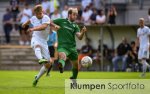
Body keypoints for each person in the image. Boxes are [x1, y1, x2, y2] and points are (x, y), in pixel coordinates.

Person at [22, 5, 59, 87]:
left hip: (44, 42)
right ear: (35, 13)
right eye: (37, 14)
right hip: (35, 38)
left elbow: (44, 26)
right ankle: (40, 59)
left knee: (48, 64)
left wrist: (32, 29)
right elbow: (29, 20)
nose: (39, 15)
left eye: (40, 13)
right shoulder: (34, 17)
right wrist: (24, 24)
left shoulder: (46, 17)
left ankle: (37, 78)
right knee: (37, 45)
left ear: (42, 11)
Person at [51, 8, 87, 81]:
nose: (75, 16)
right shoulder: (61, 21)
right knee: (63, 56)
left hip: (72, 48)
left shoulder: (75, 26)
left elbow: (79, 37)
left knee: (76, 66)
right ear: (69, 14)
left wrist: (83, 32)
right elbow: (49, 22)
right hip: (62, 46)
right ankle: (61, 66)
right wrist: (55, 25)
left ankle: (73, 79)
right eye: (74, 14)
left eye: (76, 15)